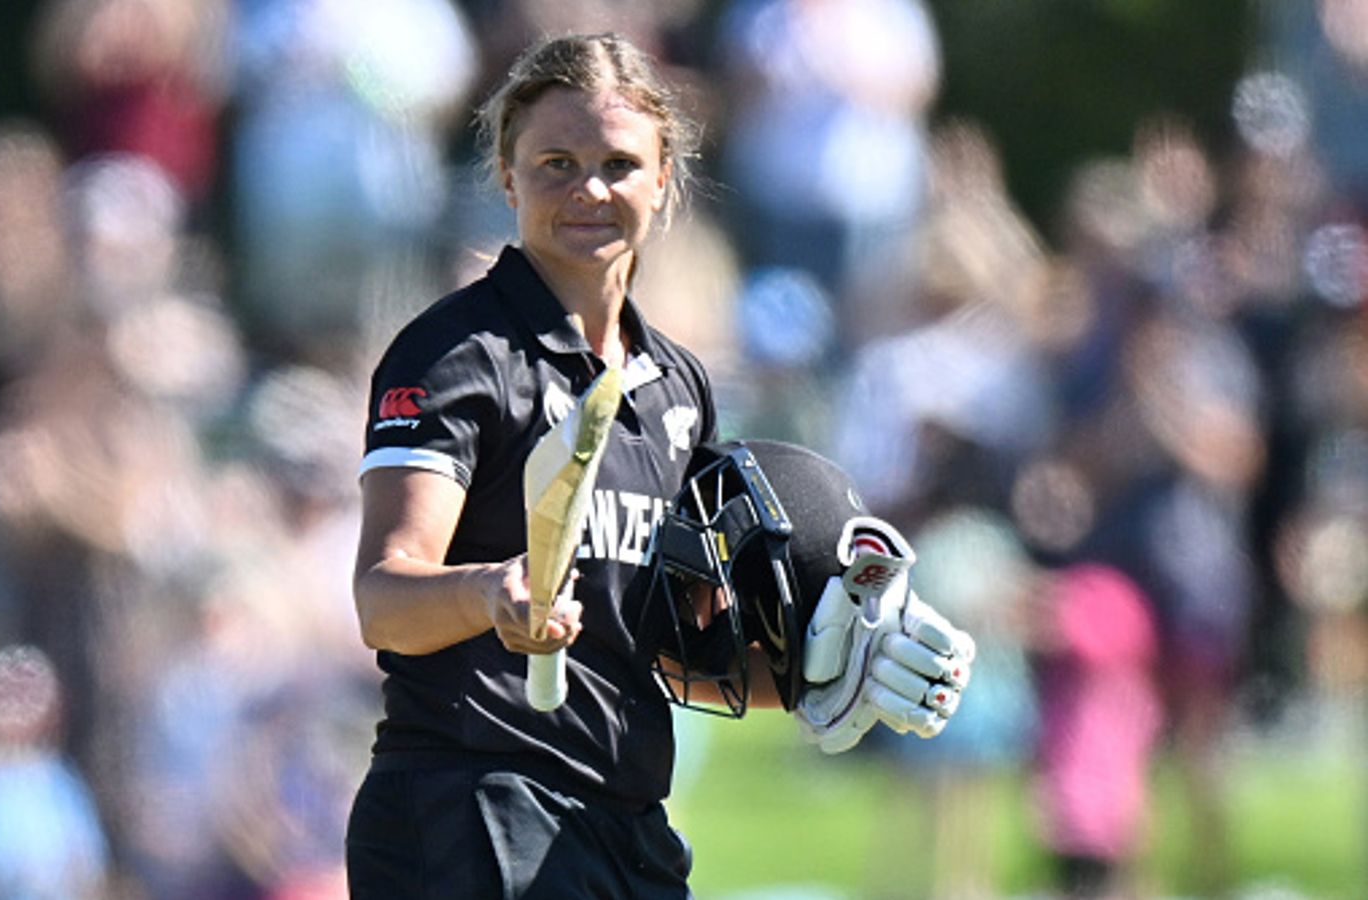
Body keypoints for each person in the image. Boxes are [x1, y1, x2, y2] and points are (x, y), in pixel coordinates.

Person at [348, 33, 974, 899]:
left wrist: (837, 666)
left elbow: (665, 650)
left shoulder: (674, 384)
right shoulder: (458, 355)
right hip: (471, 806)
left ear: (664, 180)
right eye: (556, 163)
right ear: (505, 174)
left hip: (620, 818)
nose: (589, 190)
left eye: (618, 164)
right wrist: (491, 595)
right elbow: (383, 598)